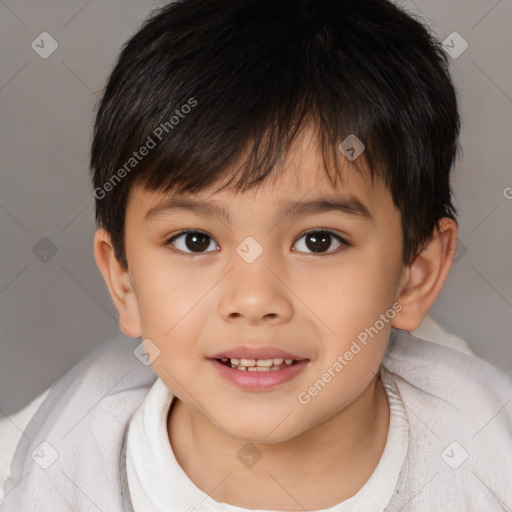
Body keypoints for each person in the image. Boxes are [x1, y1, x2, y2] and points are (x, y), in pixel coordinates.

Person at [2, 0, 511, 510]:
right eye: (195, 241)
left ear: (414, 277)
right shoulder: (36, 478)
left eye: (318, 240)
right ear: (124, 281)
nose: (253, 299)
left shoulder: (488, 468)